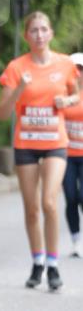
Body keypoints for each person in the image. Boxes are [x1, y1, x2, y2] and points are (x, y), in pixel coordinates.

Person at [0, 12, 80, 291]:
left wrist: (66, 100)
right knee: (32, 208)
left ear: (51, 33)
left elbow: (76, 94)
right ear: (26, 36)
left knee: (49, 202)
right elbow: (2, 113)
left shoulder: (65, 64)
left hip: (55, 142)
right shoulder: (16, 67)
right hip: (26, 144)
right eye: (34, 30)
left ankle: (54, 265)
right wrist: (20, 88)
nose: (39, 35)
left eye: (44, 29)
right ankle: (38, 261)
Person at [62, 53, 83, 257]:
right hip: (66, 155)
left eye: (82, 69)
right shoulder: (62, 95)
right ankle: (76, 240)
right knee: (70, 197)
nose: (78, 73)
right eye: (75, 69)